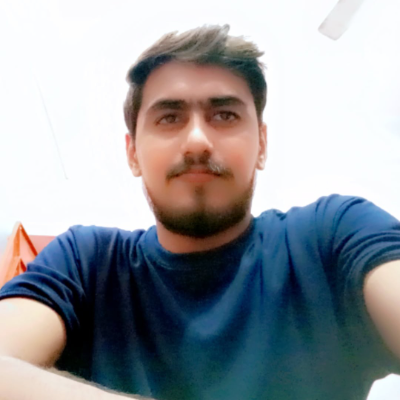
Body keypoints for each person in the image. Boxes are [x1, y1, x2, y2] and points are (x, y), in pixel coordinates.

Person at [0, 24, 400, 400]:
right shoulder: (85, 263)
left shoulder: (333, 238)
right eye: (169, 117)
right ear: (132, 153)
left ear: (261, 145)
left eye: (224, 115)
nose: (196, 140)